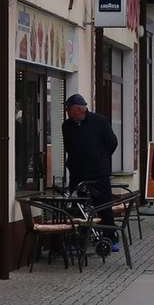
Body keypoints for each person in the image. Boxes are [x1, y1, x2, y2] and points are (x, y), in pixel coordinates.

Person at [61, 94, 120, 250]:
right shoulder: (67, 126)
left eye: (69, 110)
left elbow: (112, 143)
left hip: (98, 173)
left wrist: (100, 158)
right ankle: (81, 239)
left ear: (80, 109)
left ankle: (110, 238)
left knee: (104, 206)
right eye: (67, 110)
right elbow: (68, 147)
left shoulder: (99, 121)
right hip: (78, 174)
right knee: (78, 207)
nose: (67, 113)